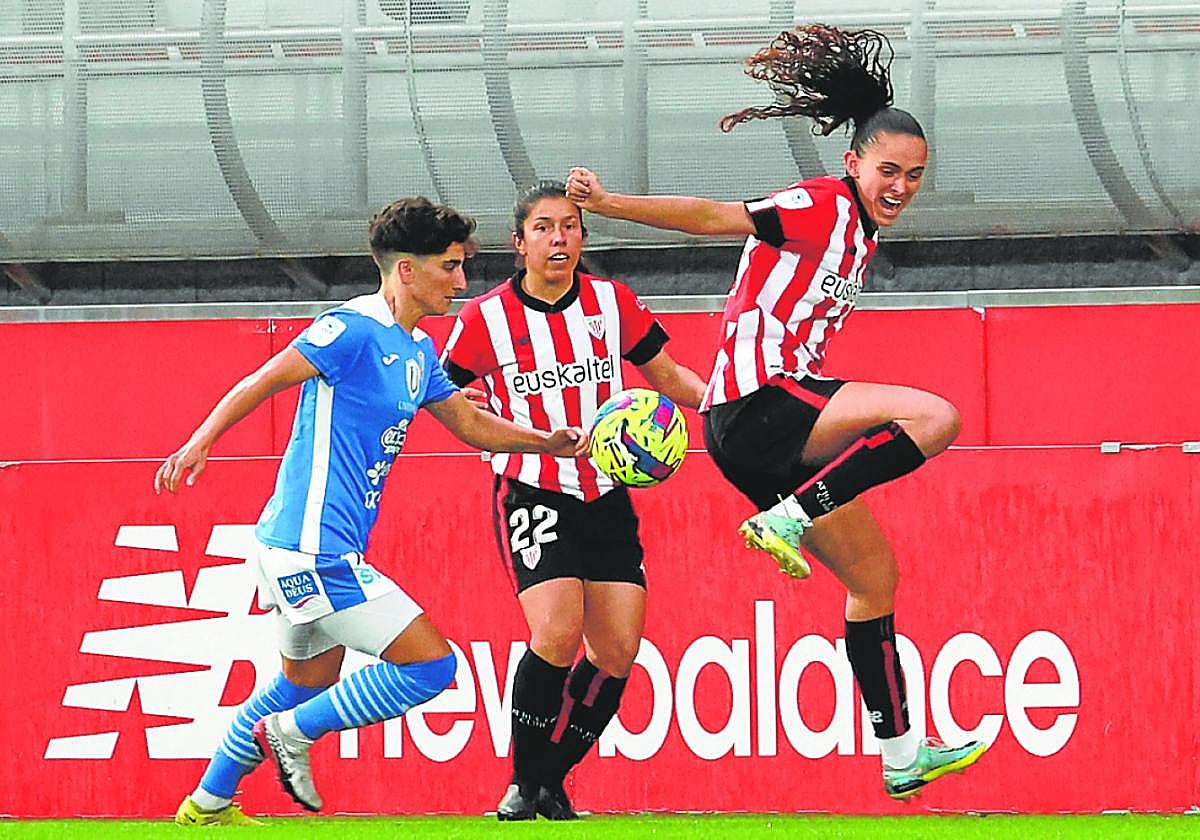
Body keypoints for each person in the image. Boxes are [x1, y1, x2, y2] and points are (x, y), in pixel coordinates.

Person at [566, 24, 986, 800]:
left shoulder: (859, 230)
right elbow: (711, 216)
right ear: (852, 163)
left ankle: (900, 753)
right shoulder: (823, 204)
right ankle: (792, 516)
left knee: (876, 581)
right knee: (936, 417)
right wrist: (609, 203)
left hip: (764, 433)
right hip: (757, 404)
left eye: (916, 176)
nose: (900, 186)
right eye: (888, 170)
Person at [158, 197, 588, 826]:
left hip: (308, 548)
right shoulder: (352, 329)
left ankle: (207, 804)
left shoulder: (416, 350)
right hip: (311, 550)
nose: (462, 282)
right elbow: (263, 380)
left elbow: (468, 422)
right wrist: (201, 442)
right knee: (434, 667)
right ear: (406, 271)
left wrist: (544, 441)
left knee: (301, 684)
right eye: (450, 267)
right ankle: (293, 734)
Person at [440, 181, 706, 820]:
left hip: (608, 495)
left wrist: (733, 402)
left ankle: (549, 781)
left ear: (583, 238)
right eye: (544, 227)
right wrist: (463, 406)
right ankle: (520, 785)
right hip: (531, 490)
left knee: (616, 652)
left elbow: (667, 378)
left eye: (570, 227)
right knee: (555, 631)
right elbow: (439, 393)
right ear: (518, 243)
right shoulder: (483, 318)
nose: (559, 239)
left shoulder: (613, 302)